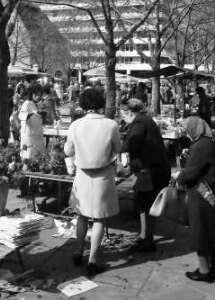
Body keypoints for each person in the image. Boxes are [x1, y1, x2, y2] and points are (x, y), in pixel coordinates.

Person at [64, 88, 121, 277]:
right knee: (99, 218)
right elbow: (118, 148)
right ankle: (93, 260)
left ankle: (77, 251)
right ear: (100, 103)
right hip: (103, 174)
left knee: (81, 215)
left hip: (82, 174)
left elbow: (68, 151)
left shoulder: (76, 125)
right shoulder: (110, 124)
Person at [122, 98, 171, 252]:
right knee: (143, 205)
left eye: (122, 114)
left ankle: (148, 241)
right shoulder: (144, 120)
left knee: (148, 205)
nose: (122, 117)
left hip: (151, 170)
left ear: (129, 112)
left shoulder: (139, 123)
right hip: (153, 168)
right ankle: (144, 237)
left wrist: (114, 144)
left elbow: (131, 143)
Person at [174, 116, 215, 283]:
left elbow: (192, 172)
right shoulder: (206, 142)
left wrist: (179, 177)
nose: (186, 133)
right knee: (209, 230)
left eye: (187, 129)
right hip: (207, 190)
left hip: (201, 193)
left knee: (201, 231)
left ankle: (204, 271)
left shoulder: (201, 146)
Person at [18, 84, 45, 160]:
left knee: (37, 155)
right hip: (28, 135)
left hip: (36, 135)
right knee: (28, 155)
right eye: (37, 95)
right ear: (32, 94)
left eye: (40, 95)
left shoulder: (35, 104)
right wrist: (32, 113)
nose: (38, 97)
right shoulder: (26, 104)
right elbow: (21, 115)